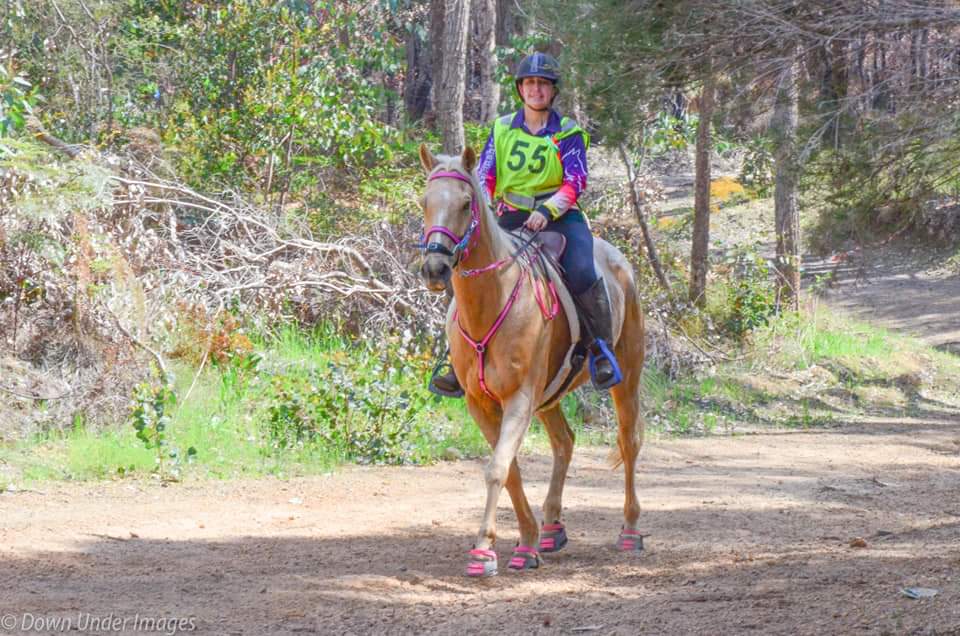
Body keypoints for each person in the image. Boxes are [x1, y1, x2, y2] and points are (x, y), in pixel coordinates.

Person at [429, 51, 621, 397]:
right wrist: (485, 210)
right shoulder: (502, 128)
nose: (536, 90)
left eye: (543, 84)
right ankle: (456, 358)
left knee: (581, 270)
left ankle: (600, 350)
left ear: (552, 91)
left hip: (561, 219)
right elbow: (485, 174)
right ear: (521, 89)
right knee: (465, 269)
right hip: (510, 218)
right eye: (530, 83)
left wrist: (547, 211)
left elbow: (575, 181)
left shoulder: (567, 132)